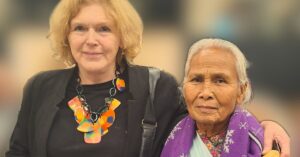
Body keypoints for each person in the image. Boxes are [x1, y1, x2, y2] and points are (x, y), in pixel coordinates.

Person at [6, 0, 290, 157]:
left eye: (104, 29)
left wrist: (267, 124)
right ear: (67, 36)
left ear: (122, 37)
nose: (91, 39)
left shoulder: (157, 87)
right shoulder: (40, 87)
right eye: (80, 28)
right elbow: (19, 152)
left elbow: (210, 112)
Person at [161, 38, 283, 157]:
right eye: (196, 80)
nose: (206, 93)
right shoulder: (165, 132)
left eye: (220, 81)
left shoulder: (264, 144)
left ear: (241, 90)